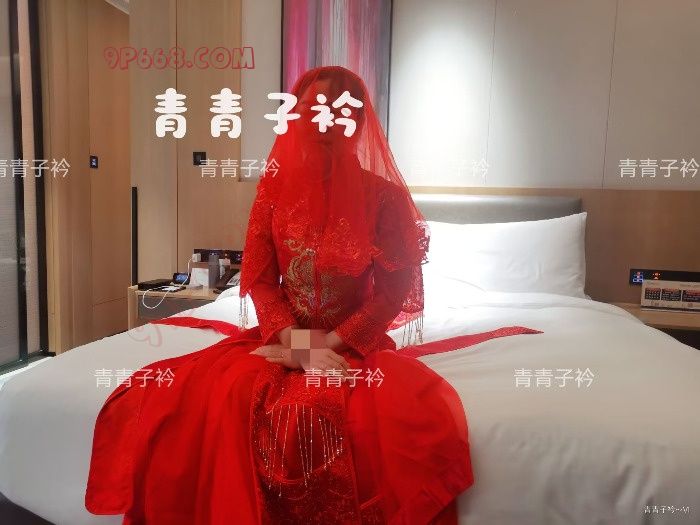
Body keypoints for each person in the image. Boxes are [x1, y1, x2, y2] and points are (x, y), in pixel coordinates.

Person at [85, 66, 473, 525]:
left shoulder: (383, 199)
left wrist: (325, 346)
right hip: (282, 337)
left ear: (356, 123)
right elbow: (263, 280)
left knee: (321, 412)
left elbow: (391, 294)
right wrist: (298, 345)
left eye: (336, 113)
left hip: (350, 344)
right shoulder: (274, 190)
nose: (321, 124)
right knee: (189, 395)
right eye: (311, 110)